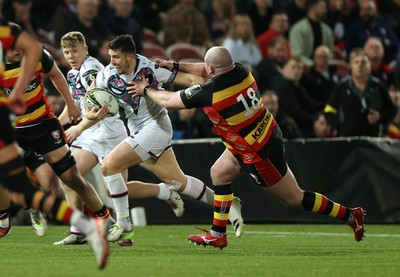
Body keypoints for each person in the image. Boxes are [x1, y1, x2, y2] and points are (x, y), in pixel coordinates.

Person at [130, 46, 366, 249]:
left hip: (256, 151)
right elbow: (206, 68)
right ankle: (217, 235)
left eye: (208, 67)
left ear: (213, 70)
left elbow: (168, 101)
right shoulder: (242, 70)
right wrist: (175, 65)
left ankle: (350, 215)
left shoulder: (211, 92)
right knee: (219, 172)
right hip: (261, 134)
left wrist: (146, 90)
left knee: (295, 198)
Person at [95, 35, 244, 240]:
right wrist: (93, 110)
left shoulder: (150, 69)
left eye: (116, 57)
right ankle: (227, 202)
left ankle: (123, 224)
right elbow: (92, 98)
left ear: (130, 56)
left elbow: (191, 80)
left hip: (156, 126)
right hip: (137, 129)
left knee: (109, 167)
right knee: (178, 181)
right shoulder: (106, 75)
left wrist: (210, 93)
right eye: (110, 57)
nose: (112, 62)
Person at [0, 19, 109, 269]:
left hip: (42, 125)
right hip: (12, 128)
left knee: (68, 177)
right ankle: (4, 221)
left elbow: (56, 75)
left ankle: (105, 219)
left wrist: (70, 104)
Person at [324, 49, 397, 137]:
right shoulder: (342, 86)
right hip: (348, 138)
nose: (360, 66)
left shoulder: (378, 86)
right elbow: (328, 109)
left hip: (374, 138)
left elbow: (392, 109)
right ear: (351, 66)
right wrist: (338, 126)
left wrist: (380, 116)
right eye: (356, 62)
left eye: (363, 63)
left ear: (369, 67)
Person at [289, 0, 334, 66]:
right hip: (304, 69)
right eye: (323, 7)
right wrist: (313, 65)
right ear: (313, 7)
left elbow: (330, 52)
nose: (325, 10)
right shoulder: (298, 29)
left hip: (324, 68)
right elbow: (297, 55)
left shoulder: (327, 30)